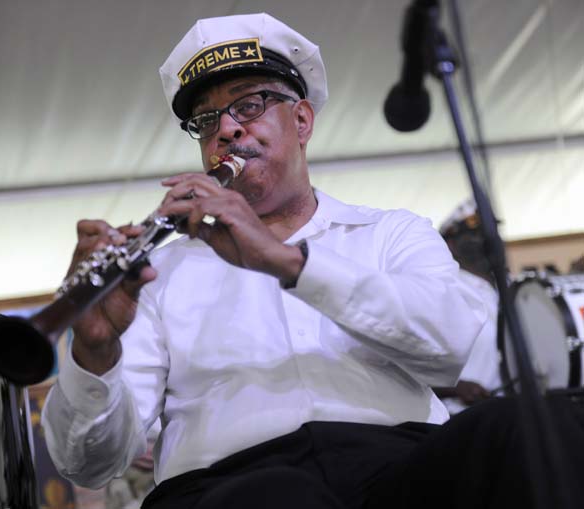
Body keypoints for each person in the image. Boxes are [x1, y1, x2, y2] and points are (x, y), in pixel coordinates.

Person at [42, 12, 584, 509]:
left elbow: (453, 348)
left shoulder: (390, 232)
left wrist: (287, 261)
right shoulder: (159, 275)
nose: (226, 131)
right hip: (225, 487)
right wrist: (94, 354)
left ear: (301, 120)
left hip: (399, 469)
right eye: (206, 122)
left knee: (547, 423)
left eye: (248, 106)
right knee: (280, 495)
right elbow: (91, 463)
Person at [432, 200, 504, 414]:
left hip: (510, 412)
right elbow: (407, 359)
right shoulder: (442, 290)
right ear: (451, 244)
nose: (489, 240)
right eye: (477, 233)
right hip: (458, 416)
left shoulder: (510, 289)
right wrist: (455, 388)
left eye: (493, 232)